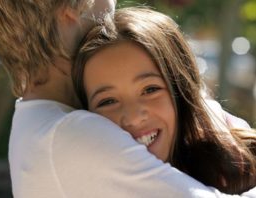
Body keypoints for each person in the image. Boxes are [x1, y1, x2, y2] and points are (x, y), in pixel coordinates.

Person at [0, 0, 255, 197]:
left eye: (150, 89)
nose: (113, 5)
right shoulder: (70, 133)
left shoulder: (41, 122)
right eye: (107, 101)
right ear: (70, 11)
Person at [72, 7, 256, 195]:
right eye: (108, 101)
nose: (134, 117)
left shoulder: (242, 163)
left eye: (150, 90)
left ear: (182, 89)